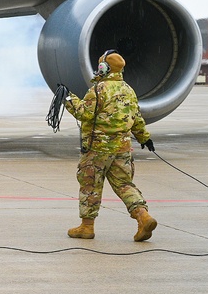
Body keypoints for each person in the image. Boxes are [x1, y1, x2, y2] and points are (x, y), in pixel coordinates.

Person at [63, 50, 158, 242]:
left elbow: (85, 113)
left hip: (97, 149)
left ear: (103, 68)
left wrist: (67, 98)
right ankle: (143, 216)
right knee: (124, 184)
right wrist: (144, 139)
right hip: (122, 148)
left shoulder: (98, 90)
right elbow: (136, 119)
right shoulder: (128, 90)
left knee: (90, 185)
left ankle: (87, 227)